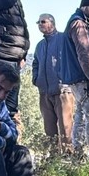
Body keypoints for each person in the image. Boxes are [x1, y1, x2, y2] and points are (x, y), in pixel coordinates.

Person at [60, 0, 89, 156]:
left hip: (76, 79)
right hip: (84, 79)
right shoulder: (79, 24)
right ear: (84, 6)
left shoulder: (75, 21)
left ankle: (79, 153)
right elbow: (85, 53)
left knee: (80, 114)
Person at [31, 13, 73, 152]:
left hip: (63, 91)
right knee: (49, 130)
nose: (40, 24)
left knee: (66, 128)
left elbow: (72, 59)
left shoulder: (64, 39)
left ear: (52, 23)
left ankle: (68, 157)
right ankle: (53, 158)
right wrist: (36, 79)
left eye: (43, 21)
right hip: (44, 92)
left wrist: (65, 80)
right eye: (38, 22)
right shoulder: (40, 45)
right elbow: (35, 63)